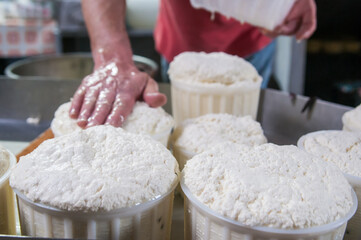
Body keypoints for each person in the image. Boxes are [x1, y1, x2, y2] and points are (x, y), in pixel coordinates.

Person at [69, 0, 317, 128]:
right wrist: (113, 61)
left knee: (243, 132)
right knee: (185, 131)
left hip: (253, 38)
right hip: (182, 40)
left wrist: (284, 5)